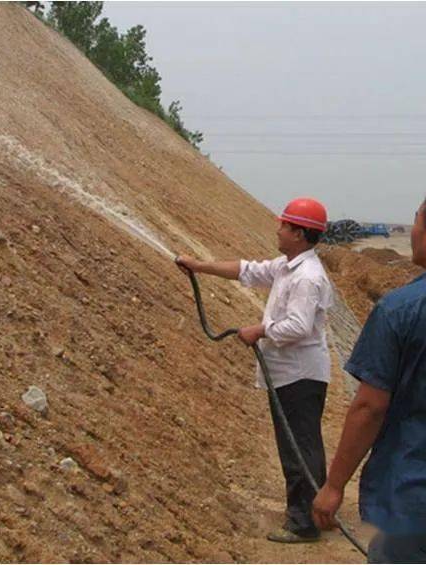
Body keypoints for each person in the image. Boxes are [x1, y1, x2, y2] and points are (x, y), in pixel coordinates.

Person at [312, 186, 426, 563]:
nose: (411, 229)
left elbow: (369, 407)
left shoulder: (399, 308)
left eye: (415, 219)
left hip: (413, 501)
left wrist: (333, 486)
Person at [176, 197, 333, 543]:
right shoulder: (287, 266)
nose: (277, 229)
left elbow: (298, 325)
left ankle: (303, 523)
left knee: (297, 449)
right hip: (292, 372)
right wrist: (199, 267)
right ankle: (318, 511)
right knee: (305, 445)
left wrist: (258, 330)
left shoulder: (306, 277)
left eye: (284, 225)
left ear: (299, 233)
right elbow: (247, 270)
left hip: (299, 373)